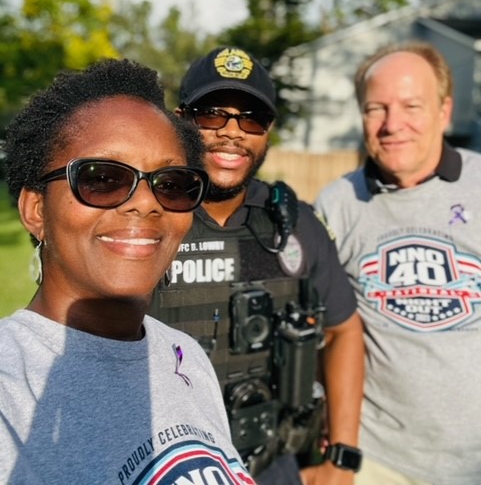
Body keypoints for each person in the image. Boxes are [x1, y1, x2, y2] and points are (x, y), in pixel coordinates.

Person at [0, 58, 257, 485]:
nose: (145, 203)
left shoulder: (185, 355)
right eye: (103, 178)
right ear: (36, 209)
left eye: (172, 184)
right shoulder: (10, 383)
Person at [149, 46, 364, 485]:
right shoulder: (144, 214)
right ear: (180, 119)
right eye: (212, 114)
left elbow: (344, 330)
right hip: (163, 468)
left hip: (272, 465)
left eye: (252, 118)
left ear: (268, 131)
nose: (233, 132)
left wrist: (341, 455)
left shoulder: (296, 222)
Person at [314, 41, 481, 485]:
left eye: (411, 105)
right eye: (376, 109)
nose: (392, 125)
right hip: (377, 459)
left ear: (444, 112)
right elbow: (322, 329)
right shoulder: (337, 205)